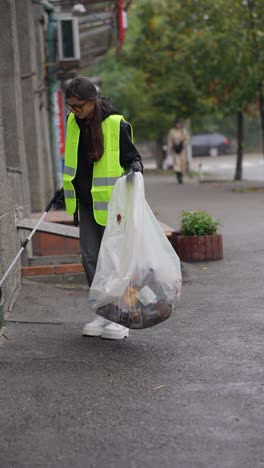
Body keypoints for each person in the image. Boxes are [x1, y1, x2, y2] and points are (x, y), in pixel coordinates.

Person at [63, 76, 143, 340]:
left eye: (78, 106)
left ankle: (121, 315)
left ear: (92, 101)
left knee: (116, 260)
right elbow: (75, 163)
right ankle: (102, 312)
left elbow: (133, 158)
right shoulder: (73, 123)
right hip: (87, 204)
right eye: (70, 106)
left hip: (113, 205)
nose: (74, 111)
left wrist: (134, 170)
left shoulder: (115, 124)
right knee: (91, 258)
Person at [167, 119, 189, 184]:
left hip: (182, 149)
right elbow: (170, 140)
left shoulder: (183, 131)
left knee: (182, 163)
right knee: (177, 163)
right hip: (175, 149)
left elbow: (187, 139)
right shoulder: (172, 131)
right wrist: (170, 148)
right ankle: (178, 175)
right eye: (177, 124)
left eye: (179, 124)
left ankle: (181, 175)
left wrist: (183, 145)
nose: (178, 125)